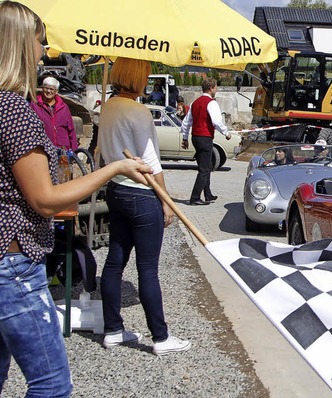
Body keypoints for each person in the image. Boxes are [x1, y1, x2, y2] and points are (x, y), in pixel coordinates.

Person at [0, 2, 152, 394]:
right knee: (52, 384)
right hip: (14, 262)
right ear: (19, 44)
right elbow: (46, 200)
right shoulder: (14, 109)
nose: (43, 52)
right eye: (39, 42)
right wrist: (115, 169)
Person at [98, 57, 191, 356]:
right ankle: (161, 338)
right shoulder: (139, 111)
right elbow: (151, 163)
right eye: (146, 75)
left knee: (115, 261)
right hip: (141, 193)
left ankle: (113, 329)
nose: (148, 81)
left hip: (116, 189)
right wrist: (166, 201)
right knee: (148, 269)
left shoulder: (108, 106)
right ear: (137, 77)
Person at [180, 78, 231, 206]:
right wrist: (226, 132)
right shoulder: (211, 103)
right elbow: (216, 121)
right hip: (205, 137)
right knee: (204, 169)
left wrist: (185, 138)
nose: (217, 89)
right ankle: (195, 197)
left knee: (206, 165)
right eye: (216, 87)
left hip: (195, 137)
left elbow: (186, 122)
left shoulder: (195, 103)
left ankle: (208, 194)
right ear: (211, 88)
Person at [30, 76, 78, 151]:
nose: (49, 91)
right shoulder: (35, 105)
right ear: (42, 89)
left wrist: (75, 150)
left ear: (56, 91)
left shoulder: (63, 107)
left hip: (62, 149)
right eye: (46, 88)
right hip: (43, 149)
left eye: (52, 89)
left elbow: (71, 129)